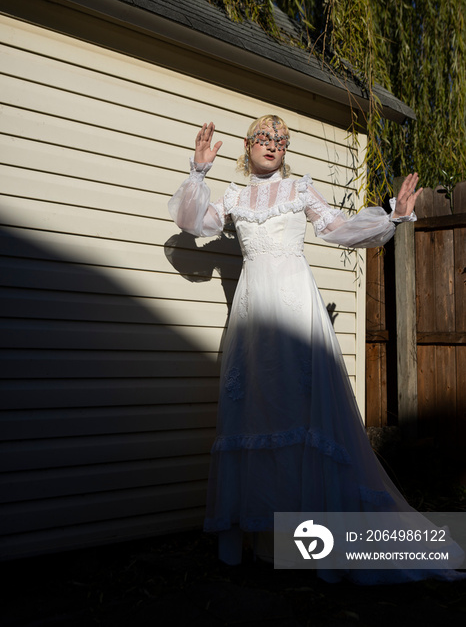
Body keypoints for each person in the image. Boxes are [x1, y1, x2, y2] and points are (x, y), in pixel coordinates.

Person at [168, 115, 464, 583]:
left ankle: (311, 540)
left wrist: (392, 215)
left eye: (281, 140)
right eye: (264, 137)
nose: (272, 145)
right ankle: (263, 539)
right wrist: (198, 170)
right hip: (252, 312)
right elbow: (191, 223)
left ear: (286, 149)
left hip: (294, 306)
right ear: (247, 146)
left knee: (299, 410)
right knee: (256, 411)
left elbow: (339, 228)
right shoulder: (235, 197)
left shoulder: (299, 190)